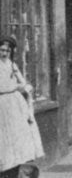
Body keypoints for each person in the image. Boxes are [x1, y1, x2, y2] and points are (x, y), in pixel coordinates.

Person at [0, 36, 43, 178]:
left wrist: (25, 86)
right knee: (5, 136)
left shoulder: (12, 64)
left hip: (15, 105)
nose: (4, 53)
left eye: (7, 50)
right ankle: (6, 166)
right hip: (3, 103)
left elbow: (22, 81)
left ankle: (15, 165)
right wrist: (16, 87)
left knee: (18, 135)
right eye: (2, 50)